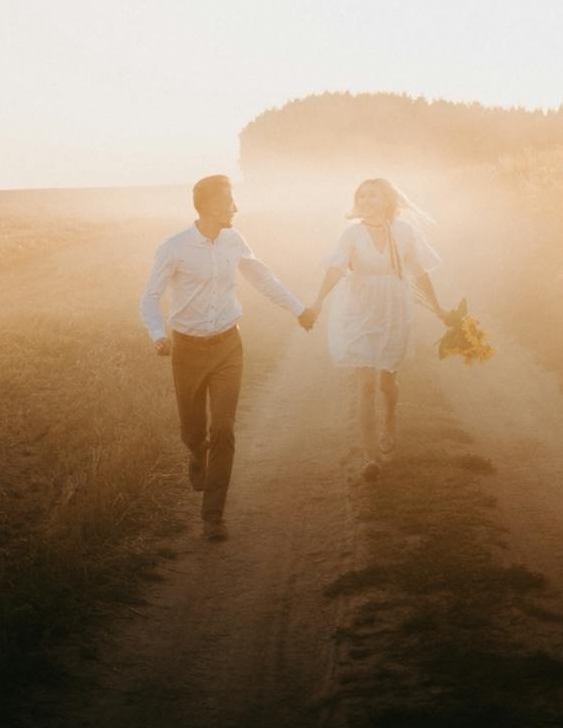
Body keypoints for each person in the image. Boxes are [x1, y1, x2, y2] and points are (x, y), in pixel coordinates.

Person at [141, 175, 316, 540]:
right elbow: (150, 297)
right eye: (228, 202)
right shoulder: (174, 248)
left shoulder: (234, 241)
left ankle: (213, 516)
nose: (235, 208)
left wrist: (298, 309)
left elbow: (262, 277)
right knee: (192, 430)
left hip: (227, 347)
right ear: (206, 206)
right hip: (186, 349)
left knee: (222, 429)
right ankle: (195, 452)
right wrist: (159, 335)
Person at [309, 178, 448, 481]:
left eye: (373, 194)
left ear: (387, 200)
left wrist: (438, 308)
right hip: (359, 308)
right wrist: (318, 302)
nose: (366, 199)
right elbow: (336, 268)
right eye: (361, 195)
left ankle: (389, 420)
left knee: (386, 381)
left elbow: (420, 272)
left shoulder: (405, 232)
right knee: (366, 384)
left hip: (393, 308)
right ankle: (370, 457)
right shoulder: (351, 234)